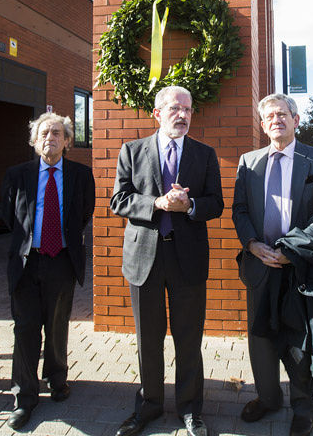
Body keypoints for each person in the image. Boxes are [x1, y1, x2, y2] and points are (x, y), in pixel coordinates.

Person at [110, 86, 224, 436]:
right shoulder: (132, 150)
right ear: (157, 113)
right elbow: (119, 200)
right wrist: (156, 204)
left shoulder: (204, 155)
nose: (183, 115)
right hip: (144, 258)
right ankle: (149, 405)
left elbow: (215, 203)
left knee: (188, 338)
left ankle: (190, 409)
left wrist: (189, 207)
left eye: (188, 109)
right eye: (176, 109)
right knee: (149, 338)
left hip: (187, 258)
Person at [232, 94, 313, 436]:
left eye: (282, 114)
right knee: (261, 335)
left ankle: (304, 407)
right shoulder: (248, 161)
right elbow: (240, 210)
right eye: (269, 117)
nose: (276, 120)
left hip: (299, 266)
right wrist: (253, 244)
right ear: (262, 126)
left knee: (299, 338)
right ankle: (267, 397)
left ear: (296, 120)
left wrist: (290, 251)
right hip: (260, 263)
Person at [1, 112, 95, 431]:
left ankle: (57, 379)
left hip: (61, 261)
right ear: (34, 139)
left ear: (67, 141)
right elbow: (9, 218)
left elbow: (84, 213)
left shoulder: (81, 175)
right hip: (27, 261)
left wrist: (60, 239)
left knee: (57, 327)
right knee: (25, 328)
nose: (49, 138)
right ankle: (24, 398)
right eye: (44, 132)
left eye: (56, 133)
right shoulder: (17, 175)